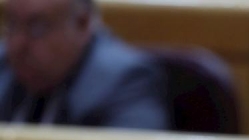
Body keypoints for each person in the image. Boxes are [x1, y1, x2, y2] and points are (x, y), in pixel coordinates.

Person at [0, 0, 169, 129]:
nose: (17, 43)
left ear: (82, 23)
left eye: (38, 27)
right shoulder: (4, 64)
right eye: (12, 24)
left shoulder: (127, 81)